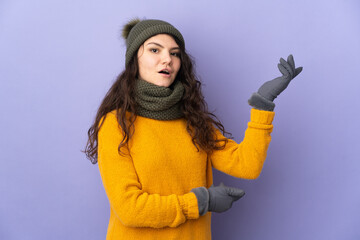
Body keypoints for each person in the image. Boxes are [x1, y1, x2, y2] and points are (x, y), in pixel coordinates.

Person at [83, 18, 303, 240]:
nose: (167, 59)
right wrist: (200, 202)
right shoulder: (115, 123)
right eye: (154, 50)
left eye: (175, 53)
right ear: (134, 59)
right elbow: (130, 210)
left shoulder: (194, 121)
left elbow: (247, 165)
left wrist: (263, 104)